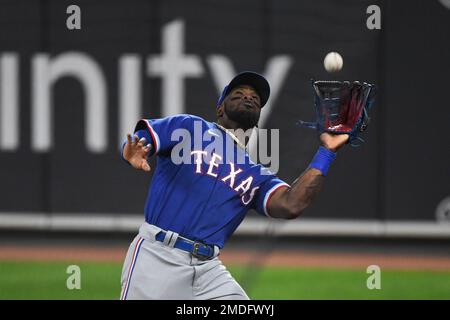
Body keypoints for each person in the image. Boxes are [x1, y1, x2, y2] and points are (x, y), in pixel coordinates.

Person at [119, 71, 349, 300]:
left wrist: (327, 152)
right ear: (220, 108)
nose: (248, 97)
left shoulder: (257, 174)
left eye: (255, 98)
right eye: (238, 94)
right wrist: (135, 149)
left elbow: (292, 204)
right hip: (158, 255)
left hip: (207, 269)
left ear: (258, 117)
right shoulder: (190, 127)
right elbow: (144, 137)